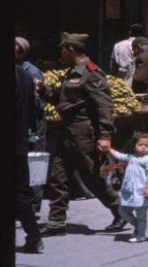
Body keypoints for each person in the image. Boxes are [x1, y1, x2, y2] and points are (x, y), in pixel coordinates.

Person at [41, 32, 126, 237]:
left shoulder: (91, 72)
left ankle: (120, 210)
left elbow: (104, 106)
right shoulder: (71, 72)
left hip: (83, 133)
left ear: (70, 49)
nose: (60, 53)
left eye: (62, 49)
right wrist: (43, 90)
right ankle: (56, 221)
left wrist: (105, 135)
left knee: (91, 176)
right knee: (57, 176)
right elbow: (64, 101)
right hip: (66, 131)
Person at [15, 36, 47, 216]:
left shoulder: (31, 72)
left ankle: (34, 206)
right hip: (22, 124)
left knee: (35, 164)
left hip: (33, 124)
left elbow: (36, 103)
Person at [108, 132, 148, 243]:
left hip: (142, 192)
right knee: (123, 211)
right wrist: (109, 149)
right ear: (134, 146)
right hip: (130, 192)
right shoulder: (131, 158)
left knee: (141, 215)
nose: (143, 147)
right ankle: (138, 226)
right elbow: (119, 155)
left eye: (147, 145)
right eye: (140, 144)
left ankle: (141, 235)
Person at [16, 63, 43, 253]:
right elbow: (34, 107)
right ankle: (34, 238)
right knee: (22, 193)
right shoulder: (24, 75)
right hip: (19, 142)